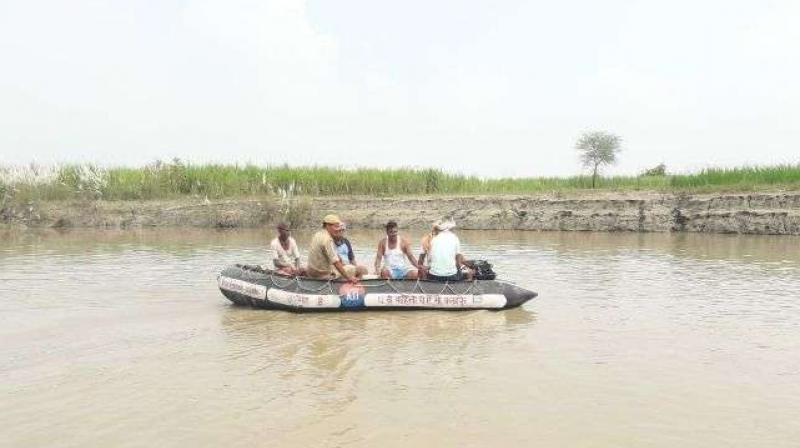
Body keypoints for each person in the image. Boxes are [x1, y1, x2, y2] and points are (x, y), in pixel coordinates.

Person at [306, 214, 360, 282]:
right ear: (327, 226)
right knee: (357, 269)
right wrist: (349, 278)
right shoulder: (328, 240)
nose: (338, 230)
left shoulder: (317, 235)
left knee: (344, 267)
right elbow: (336, 262)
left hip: (312, 272)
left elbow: (334, 258)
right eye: (336, 227)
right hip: (323, 275)